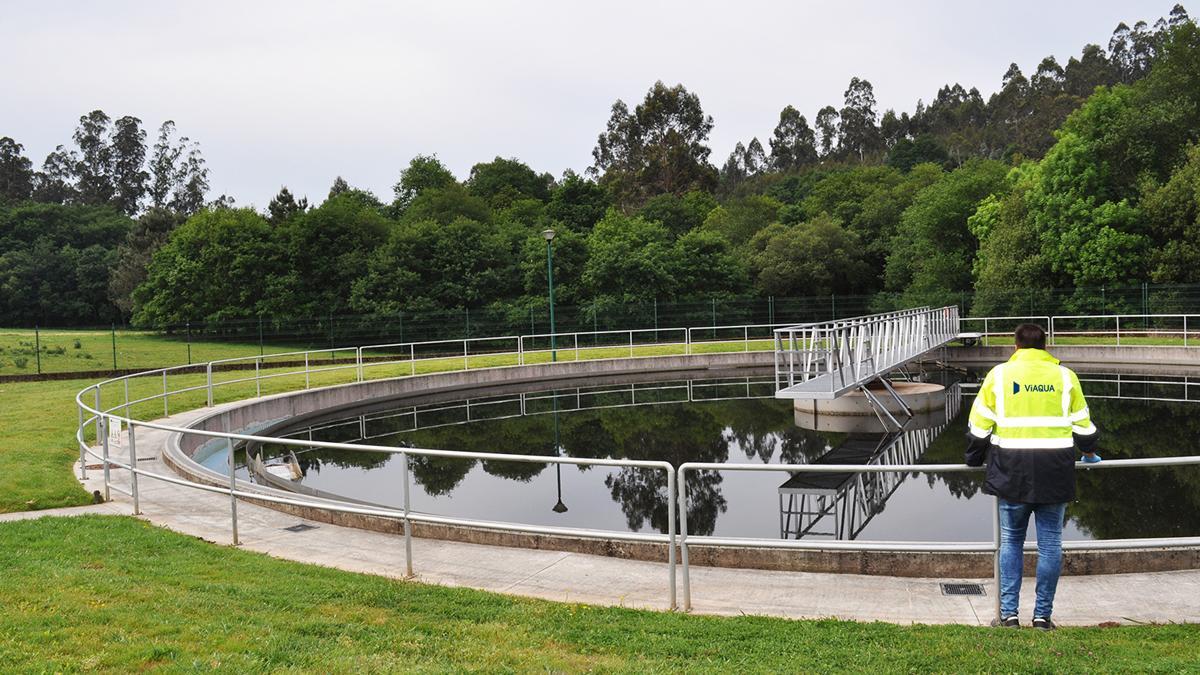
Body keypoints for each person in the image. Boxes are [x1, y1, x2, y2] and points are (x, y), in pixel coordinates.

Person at [965, 323, 1100, 631]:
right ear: (1045, 346)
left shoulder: (998, 376)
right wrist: (1090, 451)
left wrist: (973, 459)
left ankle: (1009, 616)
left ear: (1016, 347)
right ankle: (1042, 618)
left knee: (1011, 541)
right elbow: (1083, 426)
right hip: (1055, 470)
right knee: (1051, 543)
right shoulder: (1066, 377)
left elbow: (979, 427)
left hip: (1011, 470)